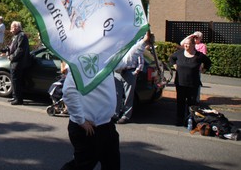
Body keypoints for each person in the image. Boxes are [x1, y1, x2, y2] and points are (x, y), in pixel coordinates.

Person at [60, 31, 152, 170]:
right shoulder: (80, 62)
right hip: (88, 129)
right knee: (81, 166)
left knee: (112, 164)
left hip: (106, 126)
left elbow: (126, 60)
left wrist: (144, 42)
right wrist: (81, 120)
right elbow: (68, 92)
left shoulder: (105, 59)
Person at [169, 35, 211, 127]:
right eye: (185, 44)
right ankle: (179, 120)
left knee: (192, 103)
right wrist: (174, 65)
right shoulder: (179, 53)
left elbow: (208, 62)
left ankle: (191, 120)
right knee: (180, 102)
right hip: (180, 83)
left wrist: (203, 69)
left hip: (193, 84)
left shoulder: (198, 55)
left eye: (188, 44)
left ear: (193, 45)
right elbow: (171, 58)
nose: (186, 46)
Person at [113, 36, 149, 124]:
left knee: (128, 95)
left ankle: (126, 116)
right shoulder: (117, 48)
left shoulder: (133, 47)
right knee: (117, 95)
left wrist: (135, 72)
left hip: (129, 73)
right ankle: (115, 114)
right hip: (117, 73)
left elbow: (141, 61)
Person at [6, 21, 31, 105]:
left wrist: (12, 57)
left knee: (16, 80)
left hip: (18, 62)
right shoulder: (16, 36)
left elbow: (20, 49)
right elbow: (13, 47)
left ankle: (18, 99)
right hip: (15, 61)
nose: (11, 30)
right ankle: (15, 96)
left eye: (12, 27)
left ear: (17, 27)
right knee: (14, 80)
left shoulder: (22, 36)